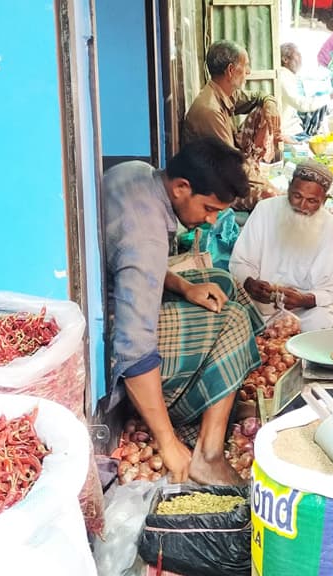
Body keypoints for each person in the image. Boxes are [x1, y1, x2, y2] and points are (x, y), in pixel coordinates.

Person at [103, 137, 264, 486]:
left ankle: (229, 392)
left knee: (221, 281)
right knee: (233, 320)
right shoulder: (146, 238)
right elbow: (132, 350)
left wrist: (185, 287)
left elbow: (133, 265)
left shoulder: (139, 174)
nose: (210, 221)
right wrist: (169, 443)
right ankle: (207, 454)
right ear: (181, 188)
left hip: (118, 295)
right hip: (111, 342)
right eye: (208, 209)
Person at [229, 160, 333, 332]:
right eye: (297, 196)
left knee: (322, 319)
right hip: (259, 306)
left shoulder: (331, 228)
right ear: (289, 187)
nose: (301, 206)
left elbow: (331, 288)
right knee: (233, 315)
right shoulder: (265, 210)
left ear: (324, 200)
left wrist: (304, 299)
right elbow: (241, 262)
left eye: (312, 201)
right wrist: (250, 283)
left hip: (302, 311)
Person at [183, 40, 281, 211]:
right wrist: (266, 184)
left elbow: (260, 96)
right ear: (230, 70)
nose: (248, 72)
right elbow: (232, 166)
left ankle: (256, 169)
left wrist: (270, 104)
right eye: (246, 66)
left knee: (262, 110)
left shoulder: (225, 93)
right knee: (271, 196)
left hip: (229, 166)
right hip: (213, 186)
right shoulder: (209, 110)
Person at [279, 43, 333, 141]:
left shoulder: (289, 76)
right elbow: (302, 104)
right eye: (297, 55)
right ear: (285, 60)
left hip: (294, 127)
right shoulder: (283, 77)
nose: (301, 59)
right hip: (288, 131)